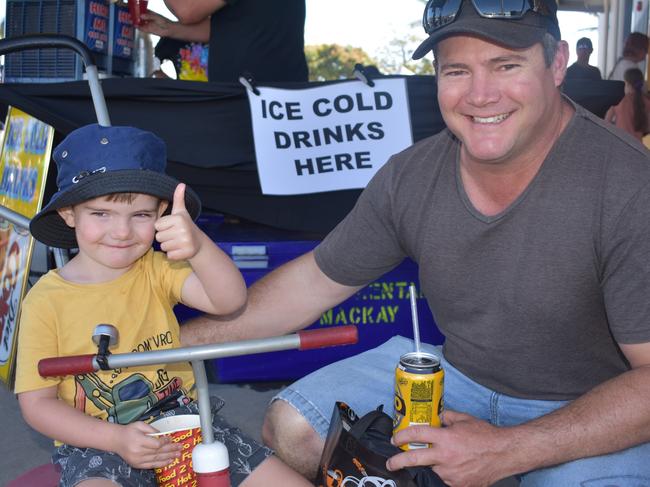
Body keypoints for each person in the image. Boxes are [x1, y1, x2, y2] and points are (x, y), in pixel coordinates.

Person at [180, 0, 650, 485]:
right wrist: (163, 349)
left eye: (506, 65)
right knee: (295, 427)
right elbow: (310, 284)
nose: (480, 95)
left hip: (587, 402)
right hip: (458, 378)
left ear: (556, 65)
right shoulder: (412, 174)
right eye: (457, 71)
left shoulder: (628, 185)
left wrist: (510, 450)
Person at [13, 124, 313, 487]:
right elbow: (38, 404)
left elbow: (229, 300)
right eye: (101, 214)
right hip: (96, 442)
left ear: (162, 214)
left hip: (184, 422)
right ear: (69, 215)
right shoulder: (45, 300)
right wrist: (114, 439)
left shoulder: (159, 268)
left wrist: (198, 246)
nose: (122, 231)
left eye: (141, 215)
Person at [138, 0, 308, 83]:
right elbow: (234, 25)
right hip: (259, 98)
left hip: (261, 101)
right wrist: (170, 28)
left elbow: (187, 8)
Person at [605, 67, 650, 141]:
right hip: (638, 147)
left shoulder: (618, 101)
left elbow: (606, 124)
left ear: (627, 84)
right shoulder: (646, 101)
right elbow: (647, 128)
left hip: (621, 144)